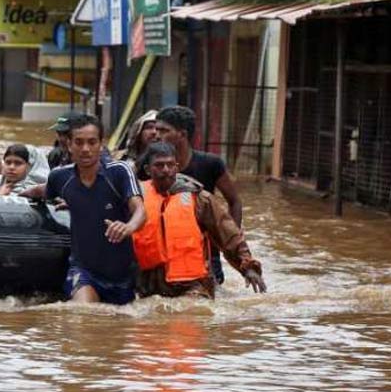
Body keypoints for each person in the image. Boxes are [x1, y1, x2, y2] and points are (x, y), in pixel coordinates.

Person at [22, 115, 145, 305]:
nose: (85, 149)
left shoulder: (119, 171)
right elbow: (41, 190)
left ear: (101, 144)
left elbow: (140, 211)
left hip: (122, 275)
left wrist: (128, 227)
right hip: (84, 271)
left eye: (92, 142)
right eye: (79, 142)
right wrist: (13, 195)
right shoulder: (60, 177)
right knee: (84, 316)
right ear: (69, 144)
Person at [133, 142, 266, 299]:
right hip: (147, 285)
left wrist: (248, 267)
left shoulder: (199, 199)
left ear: (176, 167)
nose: (166, 170)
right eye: (159, 165)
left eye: (170, 165)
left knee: (192, 313)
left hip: (192, 285)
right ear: (148, 170)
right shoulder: (135, 198)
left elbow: (229, 235)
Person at [155, 105, 244, 285]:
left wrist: (229, 240)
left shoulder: (211, 164)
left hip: (207, 251)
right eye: (156, 129)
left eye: (164, 130)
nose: (157, 135)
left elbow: (234, 201)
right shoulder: (151, 166)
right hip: (166, 249)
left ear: (182, 134)